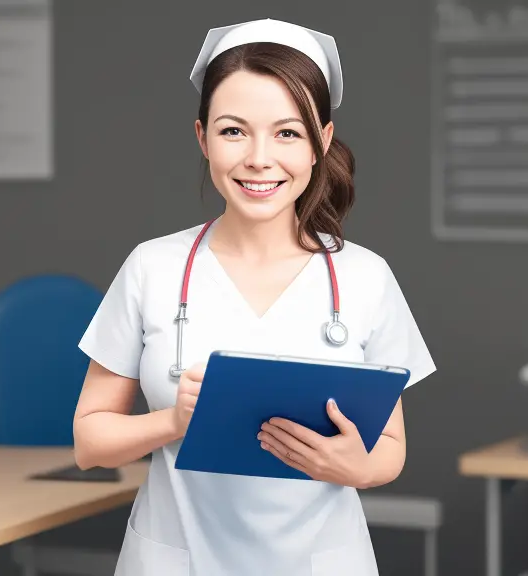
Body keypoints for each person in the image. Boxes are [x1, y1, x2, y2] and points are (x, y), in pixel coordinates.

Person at [73, 18, 437, 576]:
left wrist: (352, 467)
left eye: (287, 133)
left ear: (322, 142)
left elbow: (390, 449)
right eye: (233, 131)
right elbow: (90, 440)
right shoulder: (152, 266)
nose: (259, 158)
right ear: (203, 138)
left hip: (322, 561)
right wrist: (174, 423)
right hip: (176, 559)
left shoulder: (365, 278)